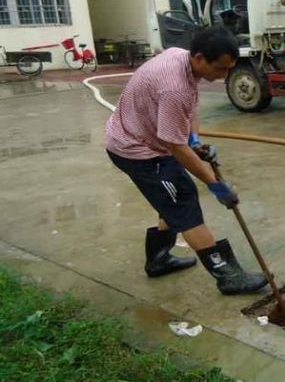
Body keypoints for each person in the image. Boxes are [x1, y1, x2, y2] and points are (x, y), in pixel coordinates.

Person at [105, 26, 267, 295]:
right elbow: (174, 145)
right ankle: (227, 276)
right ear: (200, 57)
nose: (223, 76)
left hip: (148, 138)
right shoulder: (173, 88)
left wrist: (195, 140)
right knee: (183, 202)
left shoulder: (181, 58)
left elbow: (190, 106)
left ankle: (158, 260)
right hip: (137, 150)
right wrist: (214, 183)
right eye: (220, 69)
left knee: (170, 198)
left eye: (229, 69)